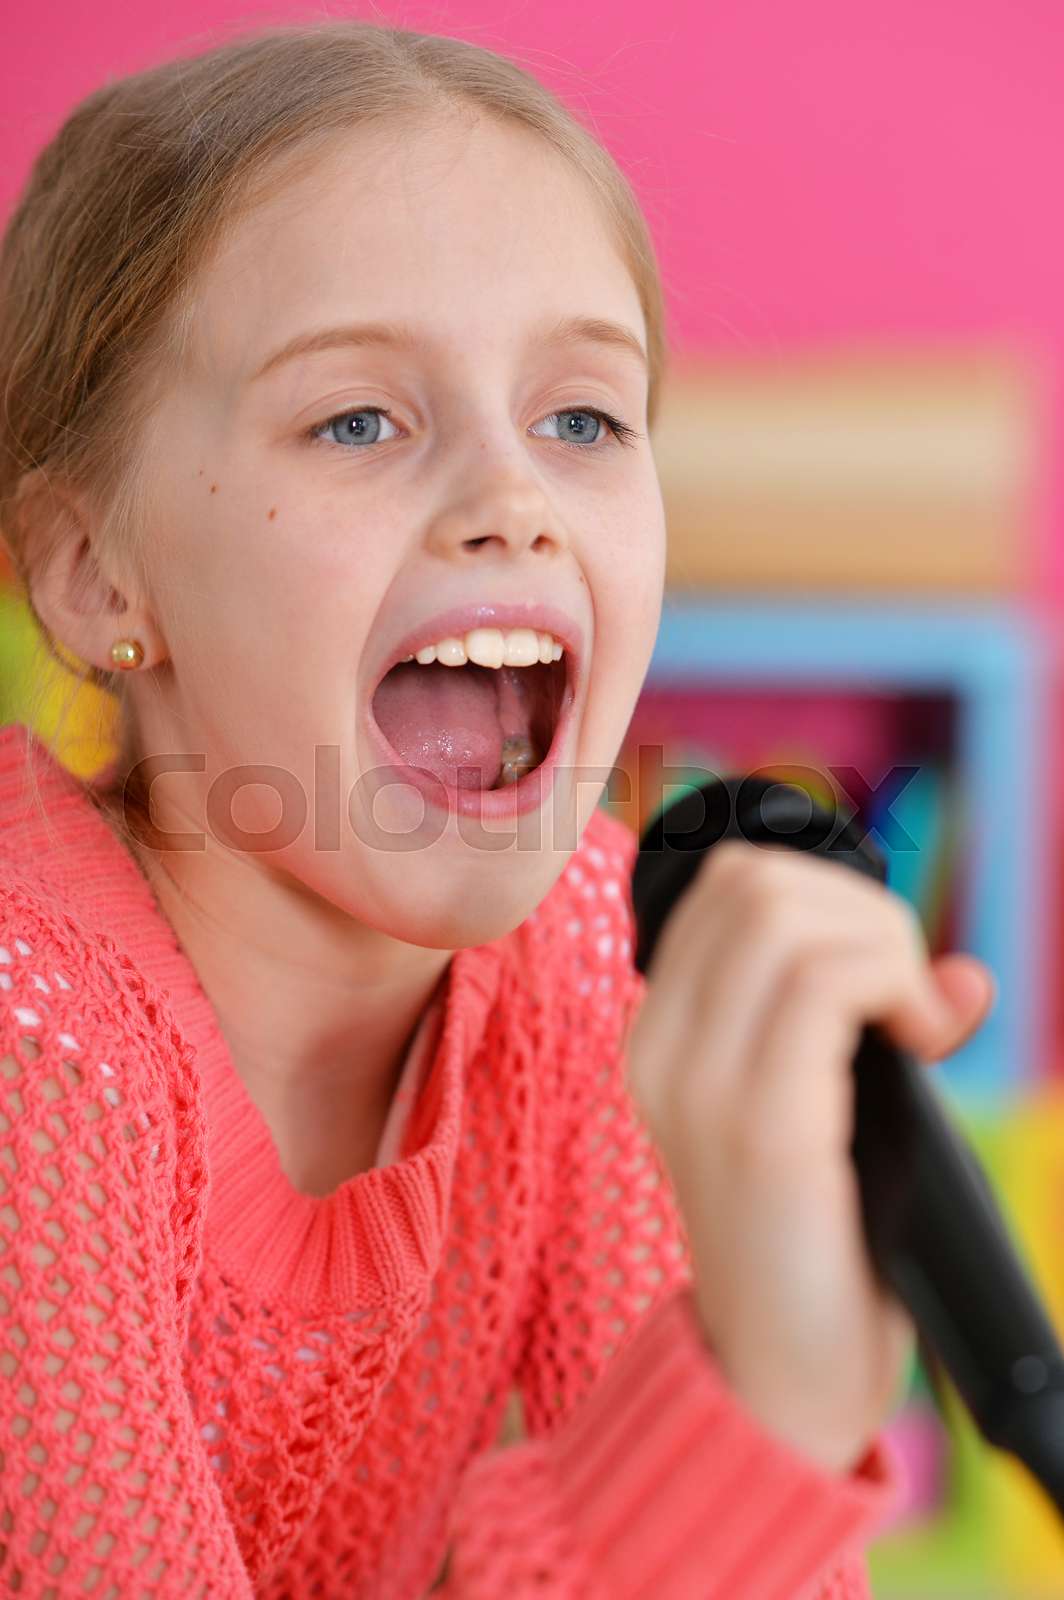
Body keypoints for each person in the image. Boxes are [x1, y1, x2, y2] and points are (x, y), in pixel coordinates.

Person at [0, 19, 996, 1597]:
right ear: (93, 574)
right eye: (359, 420)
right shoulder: (28, 1023)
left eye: (583, 420)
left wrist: (765, 1389)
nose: (514, 501)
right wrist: (755, 1413)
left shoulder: (586, 953)